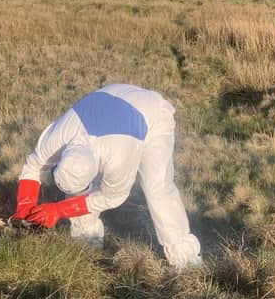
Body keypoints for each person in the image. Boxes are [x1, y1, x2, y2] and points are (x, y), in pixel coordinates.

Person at [11, 84, 202, 269]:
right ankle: (87, 235)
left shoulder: (117, 157)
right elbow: (34, 166)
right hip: (109, 99)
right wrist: (23, 209)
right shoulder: (60, 137)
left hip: (151, 115)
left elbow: (113, 196)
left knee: (156, 188)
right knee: (80, 184)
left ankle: (185, 256)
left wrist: (59, 210)